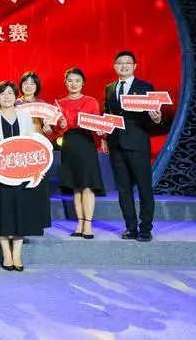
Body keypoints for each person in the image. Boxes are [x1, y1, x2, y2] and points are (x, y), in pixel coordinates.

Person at [0, 81, 49, 271]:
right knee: (2, 213)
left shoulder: (25, 117)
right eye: (3, 94)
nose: (7, 97)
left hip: (21, 173)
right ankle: (6, 253)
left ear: (15, 96)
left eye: (10, 93)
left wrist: (38, 165)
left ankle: (17, 254)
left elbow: (32, 143)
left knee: (21, 212)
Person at [102, 51, 163, 242]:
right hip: (116, 144)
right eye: (120, 63)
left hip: (137, 144)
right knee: (123, 189)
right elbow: (107, 114)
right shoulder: (109, 88)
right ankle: (130, 227)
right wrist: (104, 135)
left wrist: (157, 119)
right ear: (114, 66)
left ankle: (145, 228)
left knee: (144, 187)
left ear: (135, 66)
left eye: (128, 63)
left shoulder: (145, 87)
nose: (124, 66)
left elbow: (153, 116)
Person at [55, 68, 105, 239]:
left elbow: (97, 125)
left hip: (86, 144)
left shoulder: (91, 101)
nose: (74, 84)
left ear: (83, 83)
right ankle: (80, 223)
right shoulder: (59, 103)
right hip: (69, 145)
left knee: (87, 186)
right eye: (70, 80)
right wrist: (59, 126)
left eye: (77, 80)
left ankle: (88, 225)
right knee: (76, 186)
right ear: (65, 83)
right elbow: (56, 130)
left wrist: (100, 131)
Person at [16, 71, 53, 231]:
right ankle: (21, 221)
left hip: (38, 150)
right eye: (25, 83)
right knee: (21, 186)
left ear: (37, 86)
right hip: (19, 149)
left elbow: (49, 129)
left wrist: (48, 129)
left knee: (38, 185)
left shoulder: (43, 105)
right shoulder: (15, 103)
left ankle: (38, 222)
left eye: (32, 83)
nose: (29, 86)